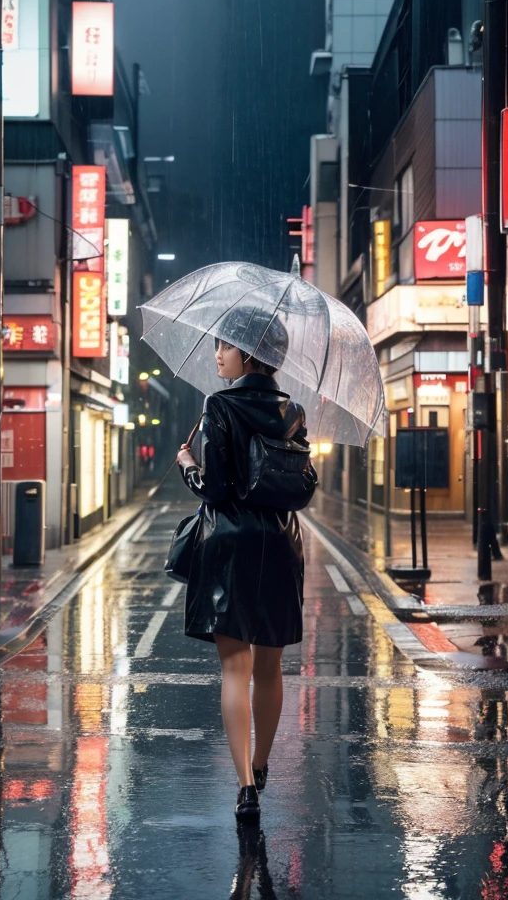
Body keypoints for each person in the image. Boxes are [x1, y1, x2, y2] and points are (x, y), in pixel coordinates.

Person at [176, 311, 311, 820]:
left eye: (224, 347)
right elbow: (305, 482)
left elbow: (214, 489)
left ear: (249, 354)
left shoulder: (219, 406)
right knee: (270, 669)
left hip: (229, 544)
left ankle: (244, 788)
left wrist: (189, 466)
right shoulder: (294, 410)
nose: (216, 355)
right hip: (280, 546)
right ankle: (262, 765)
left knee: (236, 667)